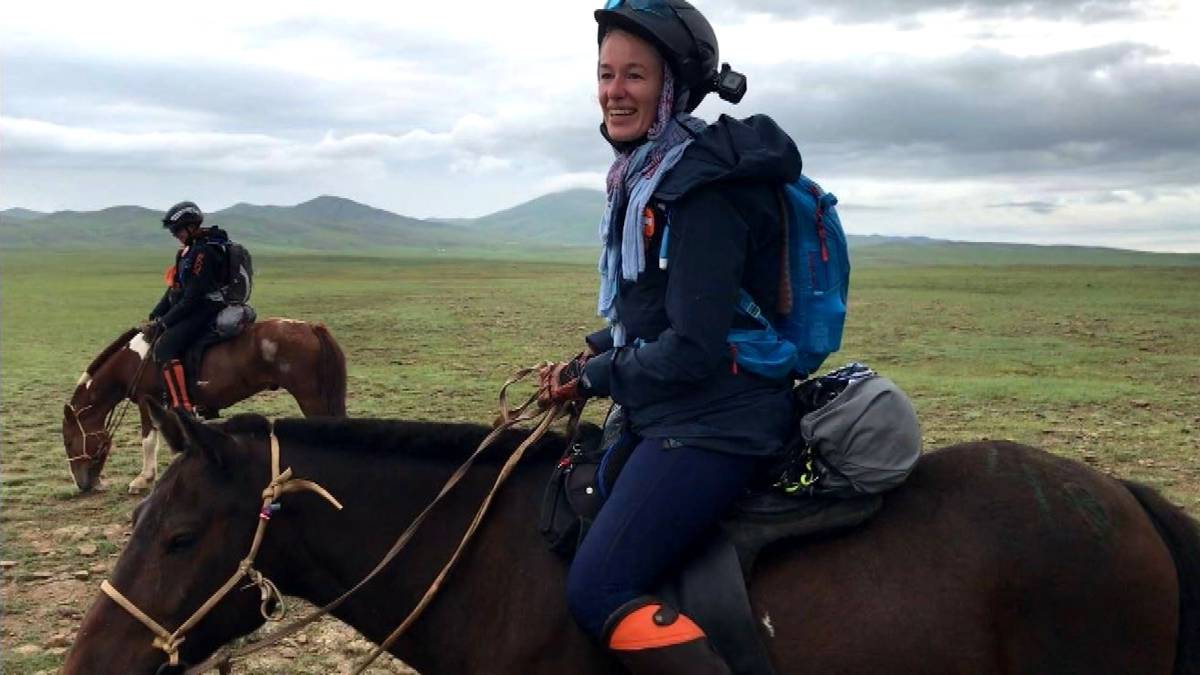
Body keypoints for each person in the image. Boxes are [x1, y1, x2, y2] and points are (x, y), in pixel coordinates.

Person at [537, 1, 805, 673]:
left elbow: (692, 347)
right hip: (679, 407)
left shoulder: (700, 187)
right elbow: (662, 311)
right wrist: (596, 350)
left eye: (635, 75)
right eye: (605, 74)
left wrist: (599, 378)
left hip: (719, 418)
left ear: (673, 87)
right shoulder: (650, 174)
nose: (614, 92)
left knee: (596, 587)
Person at [139, 201, 231, 416]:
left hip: (206, 308)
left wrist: (164, 323)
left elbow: (192, 298)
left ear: (192, 226)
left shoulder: (203, 253)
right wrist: (156, 314)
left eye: (178, 230)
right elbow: (174, 289)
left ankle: (183, 407)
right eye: (174, 231)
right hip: (193, 307)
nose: (175, 235)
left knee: (164, 347)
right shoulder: (186, 253)